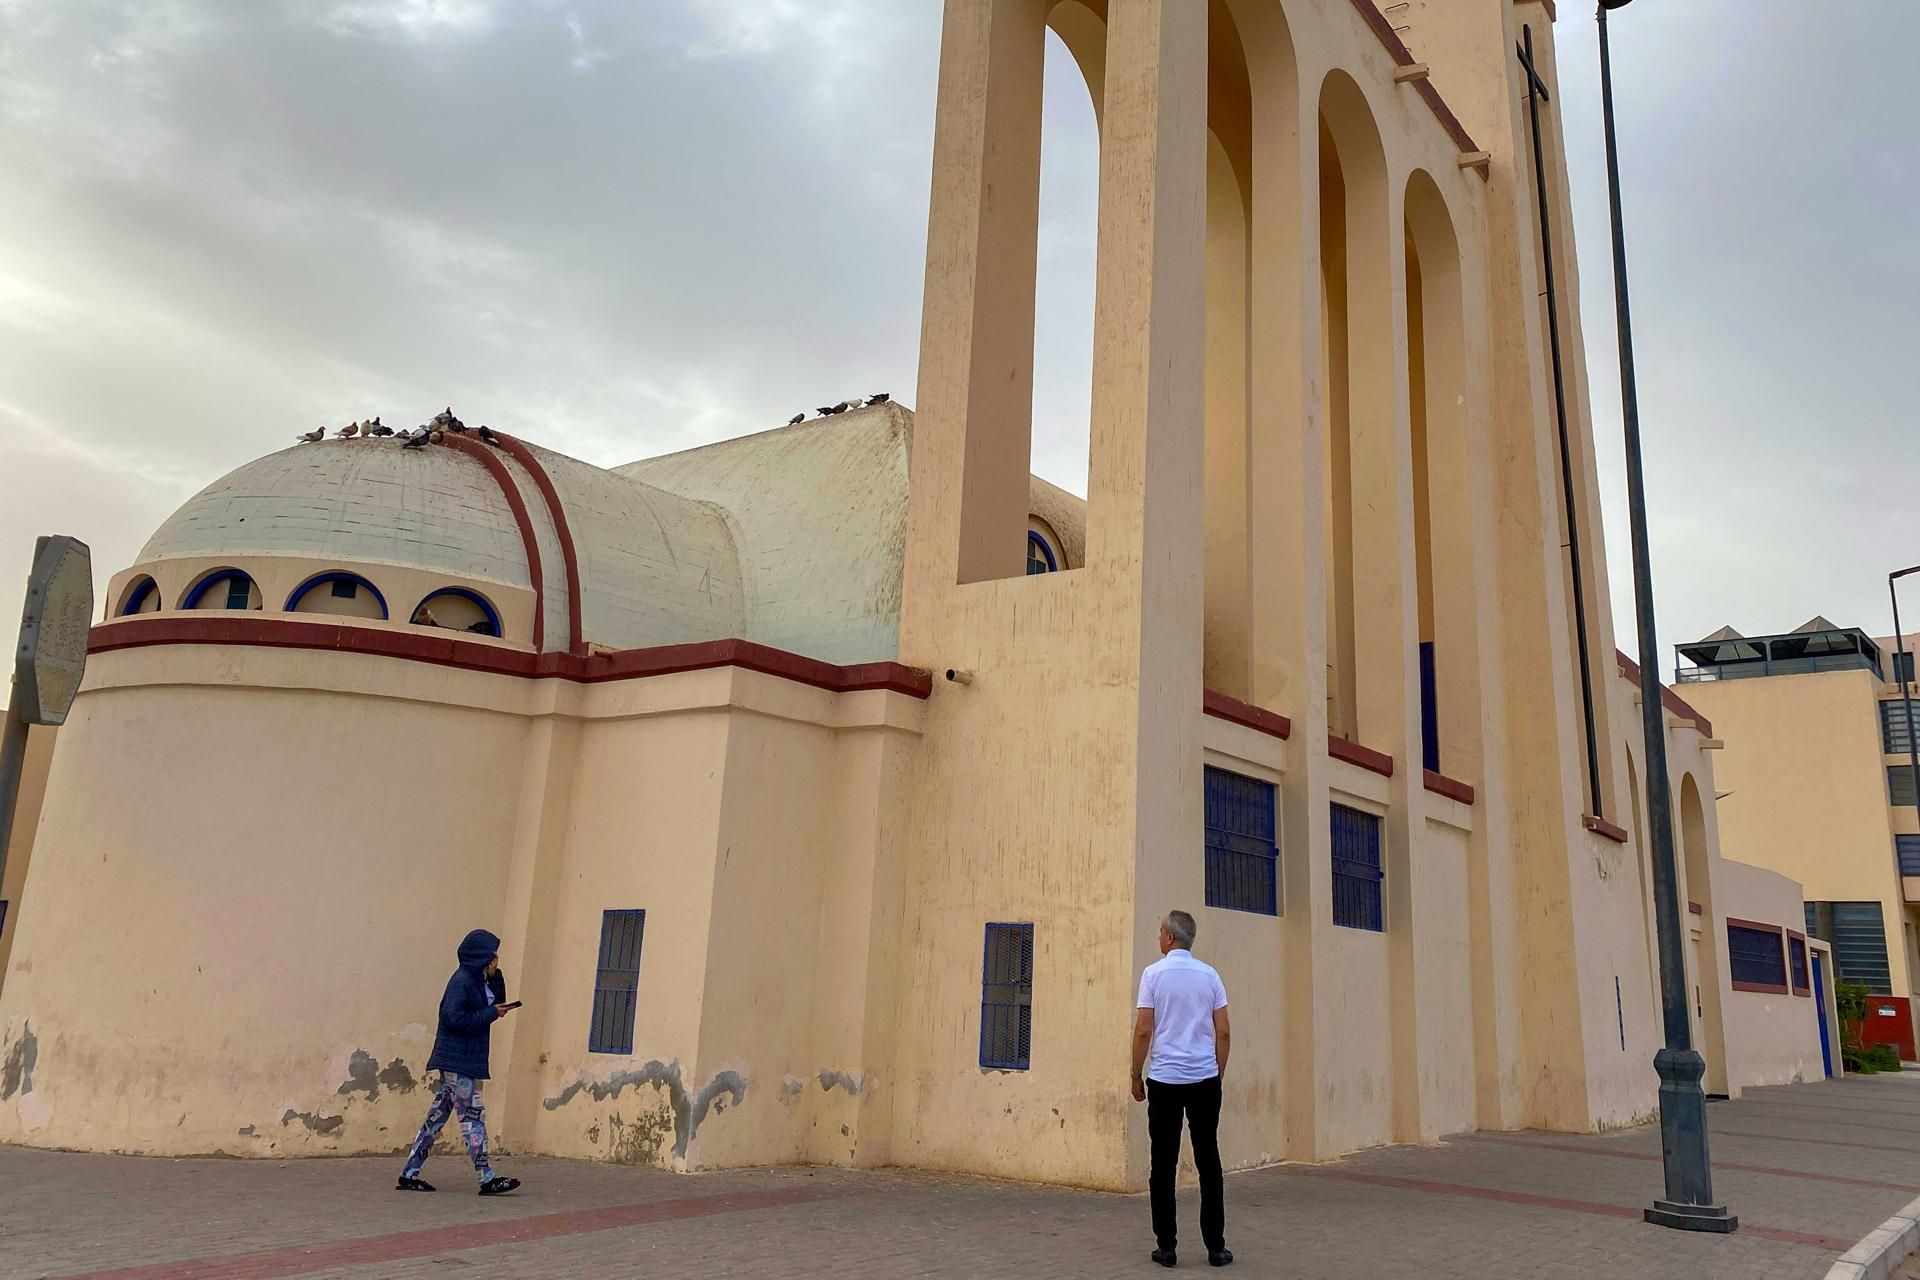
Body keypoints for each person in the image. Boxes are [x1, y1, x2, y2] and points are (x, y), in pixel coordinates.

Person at [1132, 909, 1231, 1268]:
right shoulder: (1210, 976)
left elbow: (1144, 1030)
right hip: (1203, 1079)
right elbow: (1223, 1031)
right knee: (1209, 1161)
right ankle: (1216, 1247)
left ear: (1170, 938)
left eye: (1160, 931)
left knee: (1163, 1163)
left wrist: (1134, 1073)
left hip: (1165, 1081)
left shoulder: (1153, 975)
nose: (1158, 936)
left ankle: (1167, 1246)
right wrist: (1216, 1074)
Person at [396, 928, 521, 1195]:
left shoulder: (479, 980)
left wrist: (496, 976)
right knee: (473, 1116)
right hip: (457, 1060)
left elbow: (495, 1000)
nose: (496, 959)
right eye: (492, 956)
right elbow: (454, 1018)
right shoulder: (461, 981)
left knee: (437, 1117)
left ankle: (409, 1173)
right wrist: (489, 1014)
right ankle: (487, 1177)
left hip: (465, 1059)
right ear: (480, 957)